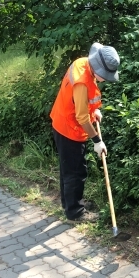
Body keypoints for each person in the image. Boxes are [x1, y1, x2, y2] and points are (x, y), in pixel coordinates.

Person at [50, 43, 120, 222]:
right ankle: (76, 212)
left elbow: (83, 102)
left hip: (62, 120)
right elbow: (81, 117)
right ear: (97, 67)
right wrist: (97, 141)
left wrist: (94, 110)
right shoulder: (81, 81)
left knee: (67, 169)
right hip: (69, 128)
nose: (104, 79)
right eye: (104, 76)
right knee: (76, 171)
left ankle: (70, 204)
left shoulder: (83, 63)